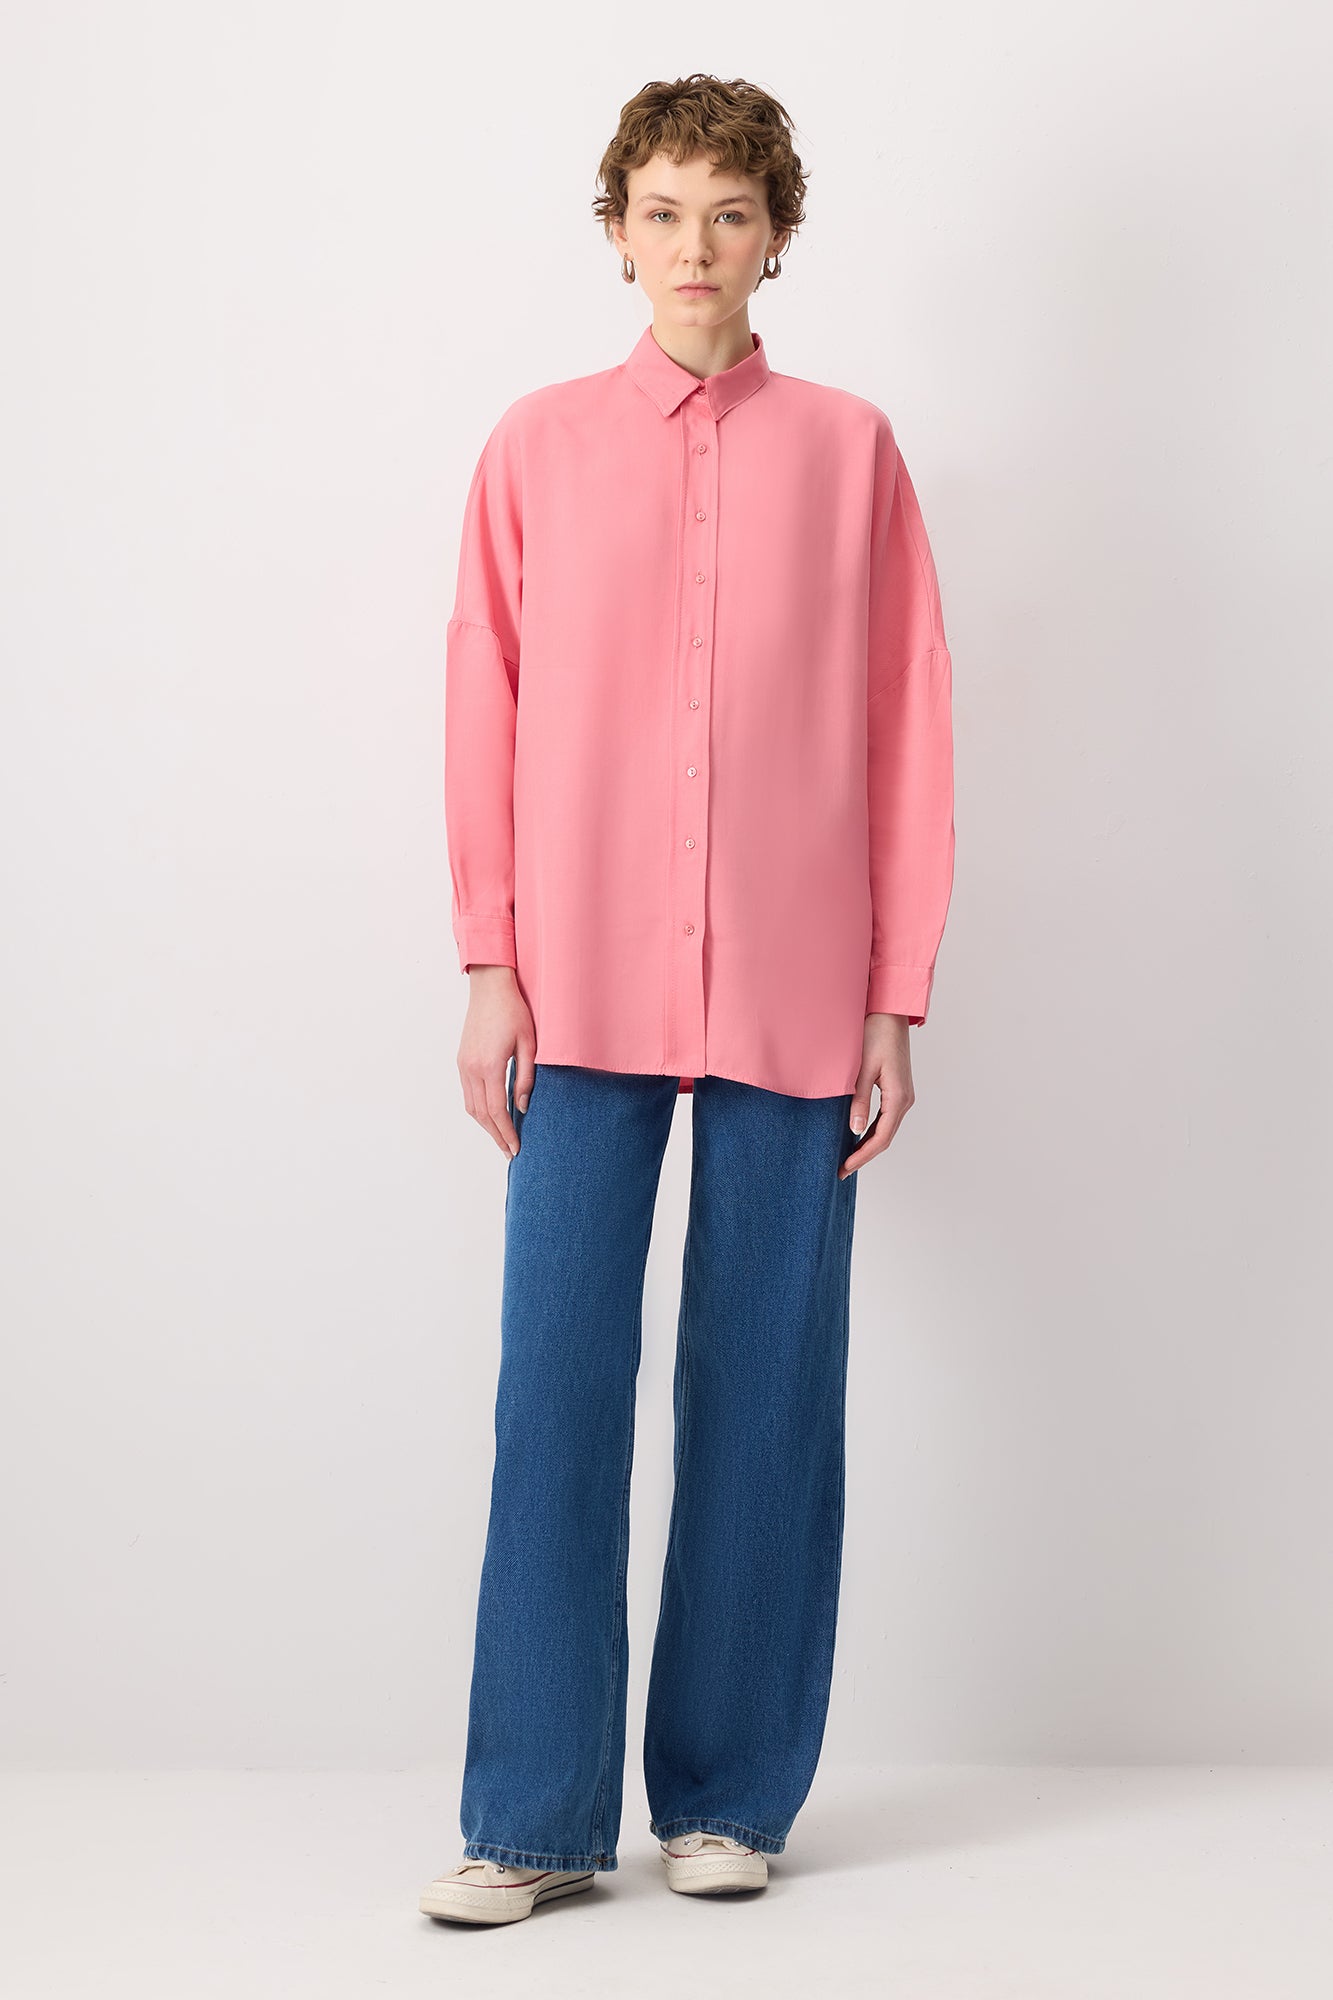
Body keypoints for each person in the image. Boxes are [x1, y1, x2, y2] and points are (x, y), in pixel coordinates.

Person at [419, 72, 956, 1926]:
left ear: (776, 235)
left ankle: (726, 1798)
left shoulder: (851, 452)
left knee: (766, 1386)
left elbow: (906, 725)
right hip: (574, 987)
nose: (694, 247)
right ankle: (530, 1816)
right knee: (557, 1383)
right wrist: (489, 961)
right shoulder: (535, 448)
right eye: (661, 211)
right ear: (617, 230)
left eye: (729, 213)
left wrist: (894, 991)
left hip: (799, 984)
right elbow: (481, 700)